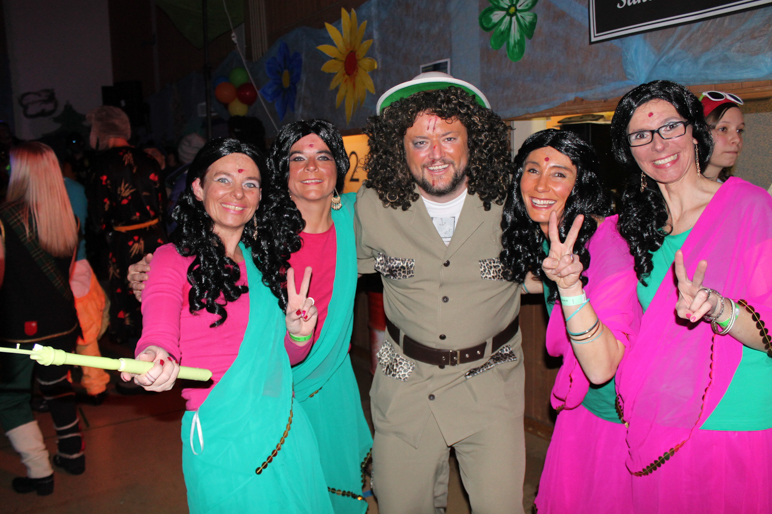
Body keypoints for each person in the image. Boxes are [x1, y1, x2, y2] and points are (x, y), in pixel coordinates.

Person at [129, 121, 373, 511]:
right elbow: (158, 330)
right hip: (222, 436)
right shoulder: (171, 260)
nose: (237, 194)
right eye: (223, 180)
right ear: (198, 188)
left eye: (249, 184)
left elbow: (280, 358)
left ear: (261, 195)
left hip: (285, 429)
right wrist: (154, 355)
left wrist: (298, 333)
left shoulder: (264, 264)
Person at [356, 72, 524, 513]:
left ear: (473, 140)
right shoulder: (372, 204)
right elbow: (328, 264)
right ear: (399, 147)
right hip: (404, 377)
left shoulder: (514, 202)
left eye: (449, 138)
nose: (435, 155)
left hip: (491, 376)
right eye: (420, 142)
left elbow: (562, 258)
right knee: (399, 504)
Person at [609, 80, 772, 512]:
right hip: (658, 415)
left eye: (670, 127)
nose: (658, 144)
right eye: (641, 135)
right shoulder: (636, 230)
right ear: (629, 150)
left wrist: (718, 307)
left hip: (733, 417)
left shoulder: (751, 207)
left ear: (695, 132)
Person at [500, 129, 641, 512]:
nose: (541, 185)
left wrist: (569, 286)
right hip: (582, 408)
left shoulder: (610, 242)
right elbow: (539, 282)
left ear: (582, 183)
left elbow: (601, 368)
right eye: (532, 170)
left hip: (621, 418)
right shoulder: (555, 233)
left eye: (559, 174)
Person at [0, 142, 85, 495]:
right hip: (62, 322)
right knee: (58, 387)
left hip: (18, 327)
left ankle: (40, 473)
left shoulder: (4, 219)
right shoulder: (69, 219)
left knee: (10, 399)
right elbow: (66, 273)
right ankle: (73, 455)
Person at [85, 106, 167, 345]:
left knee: (128, 300)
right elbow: (162, 205)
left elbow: (98, 217)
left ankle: (135, 350)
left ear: (100, 131)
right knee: (157, 293)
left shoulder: (102, 164)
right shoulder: (149, 160)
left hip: (124, 244)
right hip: (156, 238)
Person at [700, 91, 745, 182]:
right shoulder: (674, 189)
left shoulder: (735, 189)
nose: (737, 139)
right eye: (723, 129)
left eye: (739, 130)